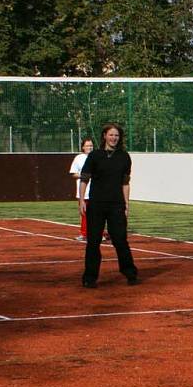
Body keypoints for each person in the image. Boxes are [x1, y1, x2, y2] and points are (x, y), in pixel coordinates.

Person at [79, 123, 139, 288]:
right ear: (104, 136)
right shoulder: (94, 156)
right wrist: (82, 200)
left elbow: (125, 183)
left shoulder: (124, 157)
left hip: (116, 205)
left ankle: (130, 273)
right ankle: (90, 278)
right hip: (96, 204)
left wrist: (127, 204)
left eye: (117, 135)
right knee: (93, 241)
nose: (114, 138)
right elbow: (84, 179)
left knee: (120, 239)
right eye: (111, 135)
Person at [69, 138, 94, 241]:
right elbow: (73, 173)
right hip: (84, 192)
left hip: (96, 191)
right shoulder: (78, 158)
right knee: (84, 213)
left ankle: (99, 233)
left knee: (97, 214)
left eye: (91, 146)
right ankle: (84, 233)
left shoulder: (97, 157)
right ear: (83, 147)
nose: (89, 148)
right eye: (87, 146)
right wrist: (84, 176)